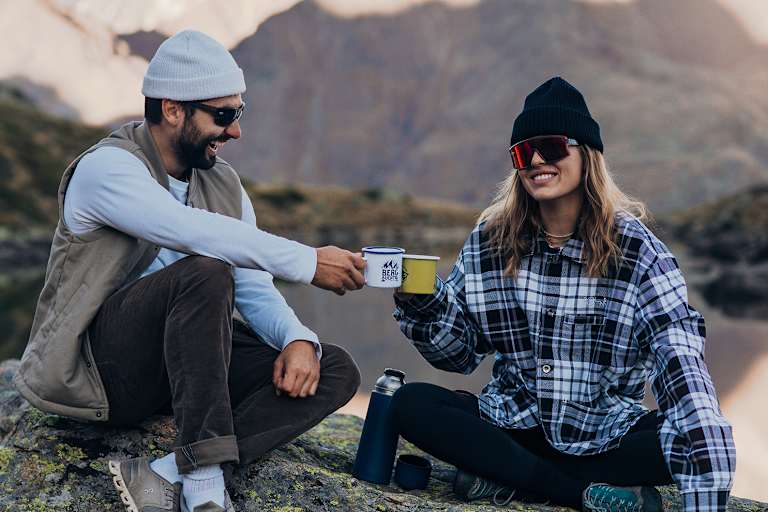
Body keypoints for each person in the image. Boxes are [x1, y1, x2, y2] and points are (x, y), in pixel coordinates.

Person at [14, 30, 365, 512]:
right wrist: (308, 262)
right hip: (102, 371)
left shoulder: (223, 183)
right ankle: (203, 486)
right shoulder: (108, 170)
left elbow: (252, 287)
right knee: (205, 272)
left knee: (334, 367)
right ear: (173, 109)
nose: (235, 131)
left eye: (238, 113)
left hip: (186, 375)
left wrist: (297, 340)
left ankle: (171, 471)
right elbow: (187, 231)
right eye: (223, 115)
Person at [390, 77, 735, 511]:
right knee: (411, 404)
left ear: (586, 153)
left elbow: (678, 357)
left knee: (681, 434)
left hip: (606, 433)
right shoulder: (490, 238)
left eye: (550, 146)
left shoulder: (638, 250)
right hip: (514, 421)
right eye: (522, 152)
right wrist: (419, 298)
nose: (535, 160)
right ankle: (585, 495)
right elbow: (458, 355)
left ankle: (505, 476)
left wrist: (707, 465)